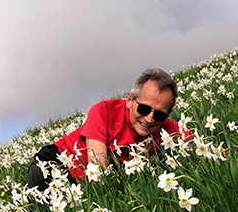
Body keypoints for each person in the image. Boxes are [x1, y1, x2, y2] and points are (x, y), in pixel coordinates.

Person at [25, 68, 184, 191]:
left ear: (167, 115)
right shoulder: (104, 111)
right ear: (129, 100)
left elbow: (200, 145)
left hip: (84, 187)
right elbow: (98, 171)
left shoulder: (166, 129)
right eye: (143, 109)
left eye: (160, 115)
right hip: (59, 163)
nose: (149, 119)